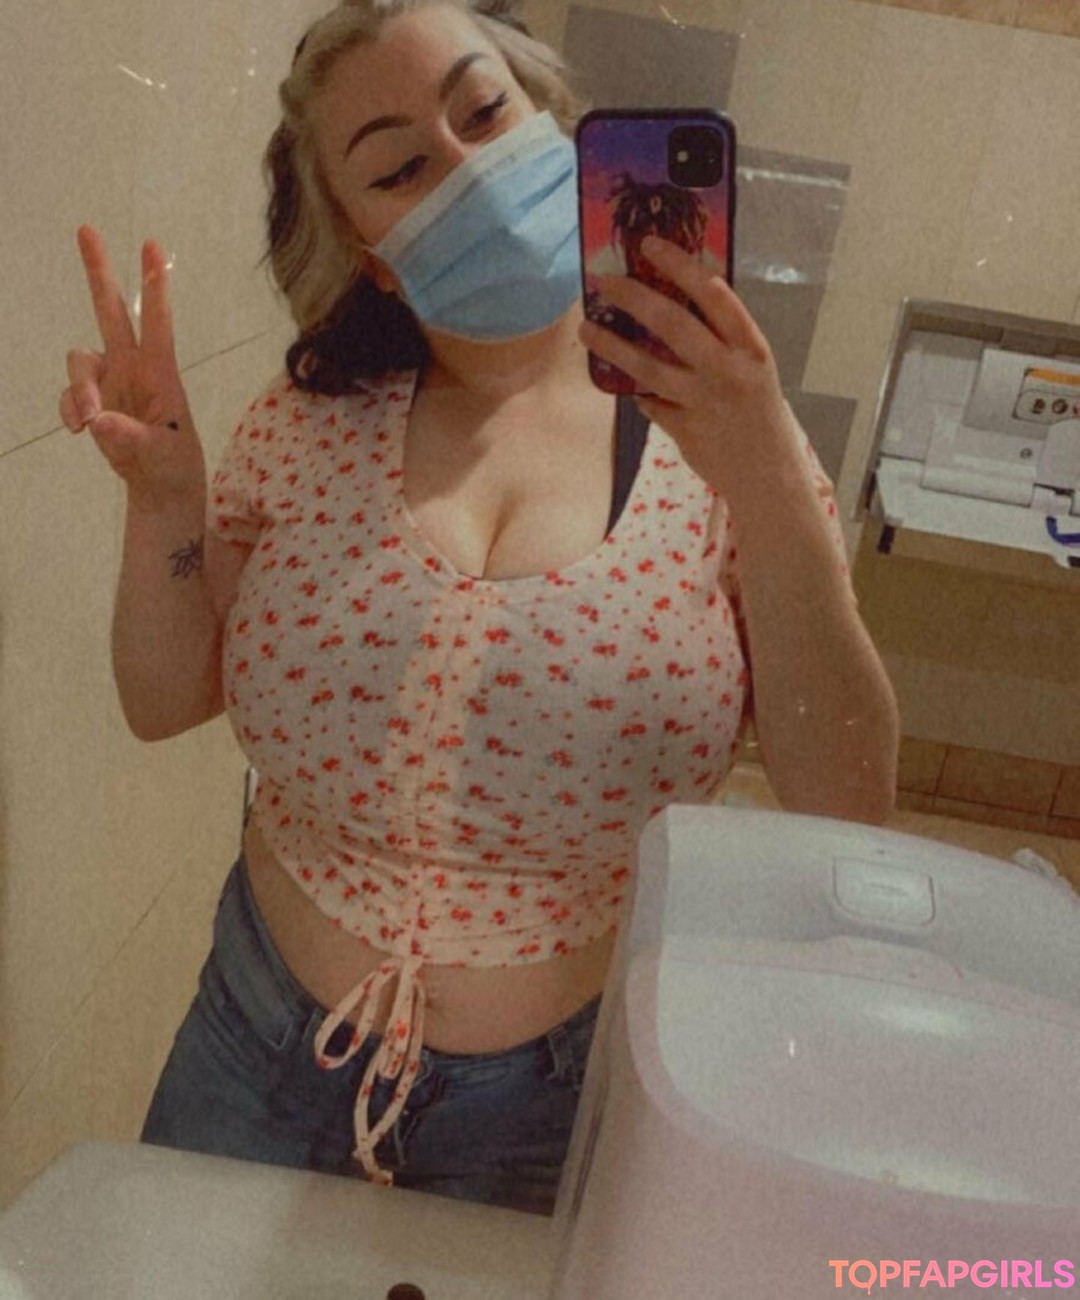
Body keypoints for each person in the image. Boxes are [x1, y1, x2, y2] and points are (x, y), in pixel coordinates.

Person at [59, 0, 899, 1216]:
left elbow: (849, 804)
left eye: (485, 111)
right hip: (251, 1045)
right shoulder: (305, 425)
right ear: (369, 250)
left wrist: (766, 467)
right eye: (400, 168)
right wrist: (165, 501)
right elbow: (161, 698)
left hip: (544, 1106)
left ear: (556, 122)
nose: (465, 169)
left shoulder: (725, 441)